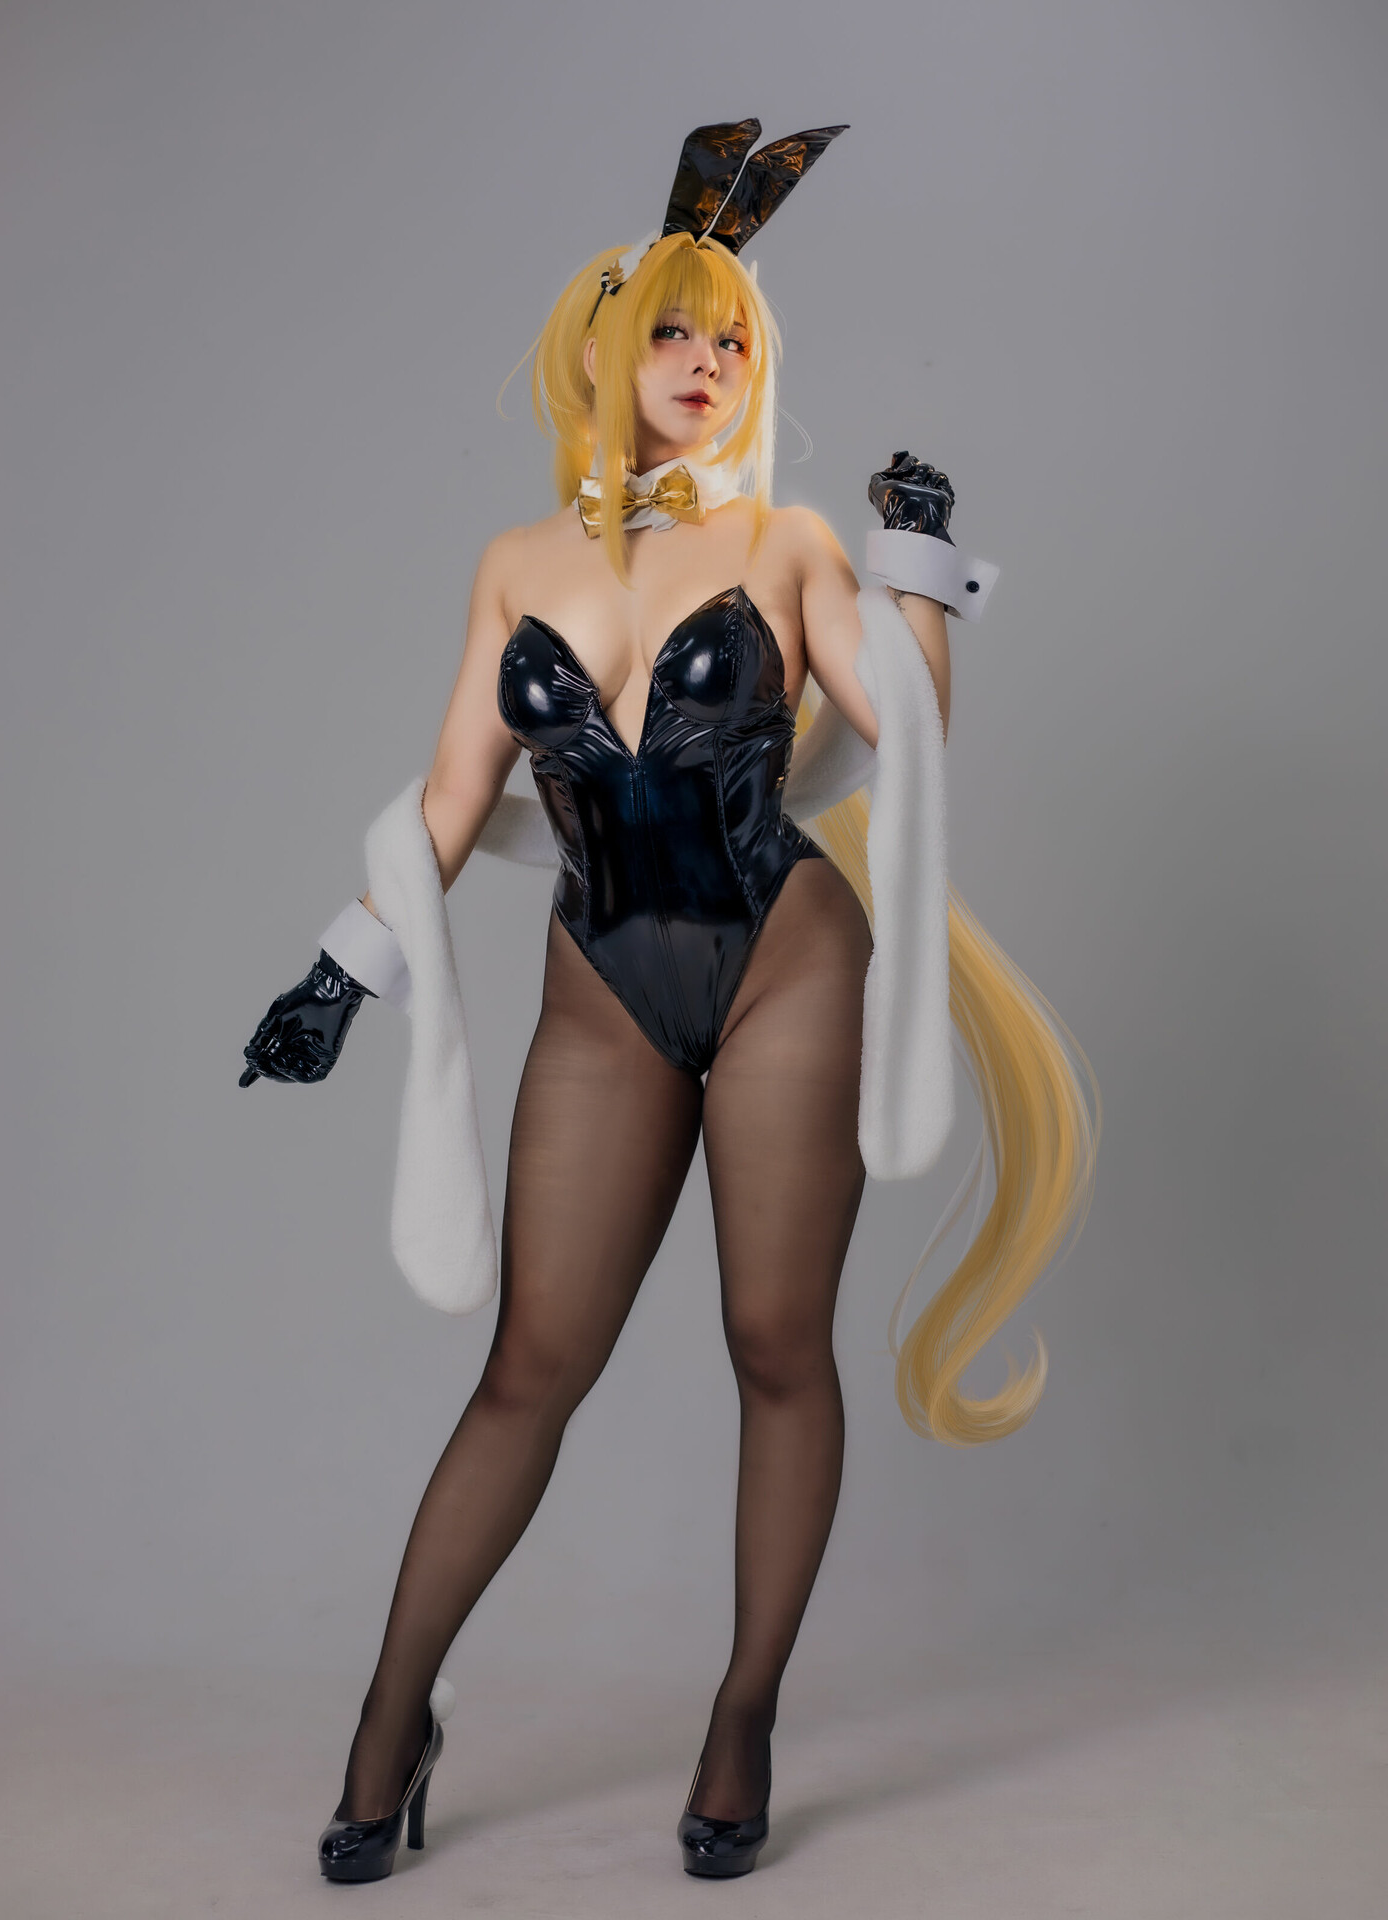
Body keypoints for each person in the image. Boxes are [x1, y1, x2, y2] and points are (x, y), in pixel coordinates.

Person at [240, 120, 1099, 1884]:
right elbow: (450, 801)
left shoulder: (787, 543)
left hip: (785, 955)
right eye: (676, 333)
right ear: (607, 352)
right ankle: (393, 1721)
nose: (705, 364)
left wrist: (917, 561)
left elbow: (911, 737)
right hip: (603, 983)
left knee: (775, 1346)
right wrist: (340, 971)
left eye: (732, 341)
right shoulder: (515, 565)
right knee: (529, 1369)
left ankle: (743, 1713)